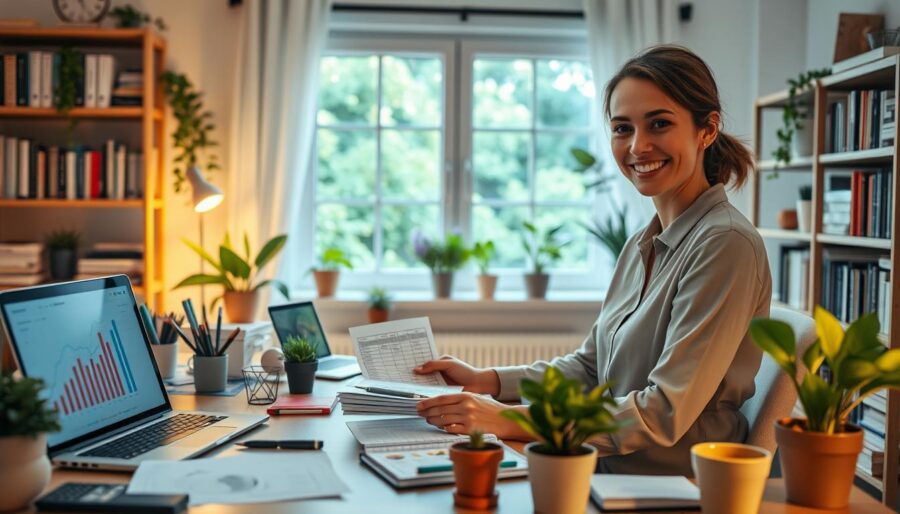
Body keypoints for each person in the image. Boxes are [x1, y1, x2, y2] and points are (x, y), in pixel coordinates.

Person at [414, 45, 773, 476]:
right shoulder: (642, 243)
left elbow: (663, 412)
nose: (638, 146)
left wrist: (505, 417)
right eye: (623, 128)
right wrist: (485, 381)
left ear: (707, 129)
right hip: (605, 462)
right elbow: (590, 367)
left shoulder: (725, 244)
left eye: (659, 123)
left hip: (667, 482)